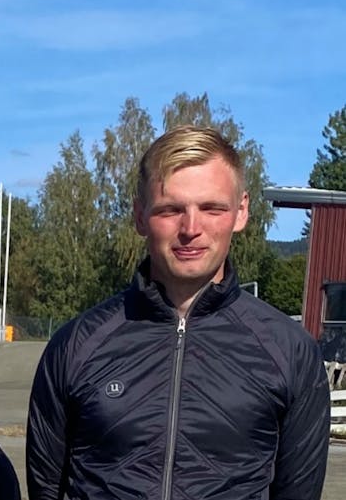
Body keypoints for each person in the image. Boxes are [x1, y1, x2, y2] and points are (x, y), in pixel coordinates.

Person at [26, 125, 330, 500]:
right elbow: (45, 489)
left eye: (211, 208)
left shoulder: (290, 352)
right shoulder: (75, 347)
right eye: (170, 210)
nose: (191, 228)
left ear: (241, 212)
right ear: (140, 216)